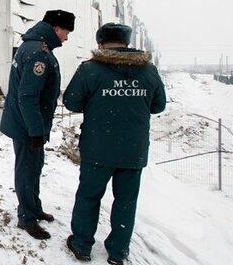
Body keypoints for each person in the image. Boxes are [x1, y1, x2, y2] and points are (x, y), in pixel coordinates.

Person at [63, 23, 166, 264]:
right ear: (127, 43)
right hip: (133, 150)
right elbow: (158, 106)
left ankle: (81, 245)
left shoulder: (90, 69)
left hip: (98, 148)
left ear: (100, 43)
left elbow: (71, 102)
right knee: (126, 201)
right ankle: (118, 251)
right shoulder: (149, 71)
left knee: (89, 196)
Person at [0, 9, 75, 240]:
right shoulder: (38, 53)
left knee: (34, 167)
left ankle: (33, 207)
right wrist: (35, 131)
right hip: (27, 126)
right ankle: (27, 218)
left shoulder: (34, 46)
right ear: (56, 28)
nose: (67, 37)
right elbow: (28, 96)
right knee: (27, 171)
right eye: (66, 32)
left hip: (28, 123)